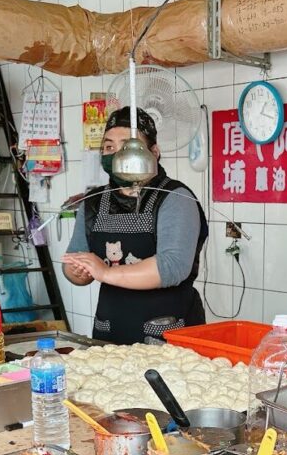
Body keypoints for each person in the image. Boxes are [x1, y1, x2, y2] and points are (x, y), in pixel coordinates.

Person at [62, 107, 208, 344]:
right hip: (109, 331)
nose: (118, 153)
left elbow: (172, 266)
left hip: (169, 334)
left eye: (129, 146)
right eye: (109, 147)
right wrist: (77, 272)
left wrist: (106, 272)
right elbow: (74, 258)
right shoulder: (94, 201)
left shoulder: (176, 198)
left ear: (154, 152)